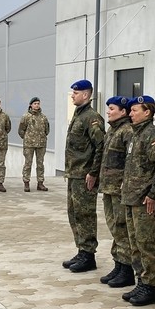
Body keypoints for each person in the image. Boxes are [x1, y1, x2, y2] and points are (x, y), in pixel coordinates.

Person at [119, 96, 155, 307]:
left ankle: (150, 285)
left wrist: (153, 194)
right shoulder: (135, 135)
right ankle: (141, 280)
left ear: (147, 112)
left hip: (144, 199)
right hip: (131, 197)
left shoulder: (152, 136)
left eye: (135, 110)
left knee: (146, 243)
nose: (130, 113)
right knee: (135, 243)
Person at [62, 80, 106, 273]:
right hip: (74, 173)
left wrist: (93, 172)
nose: (73, 95)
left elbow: (100, 146)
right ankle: (81, 250)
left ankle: (88, 254)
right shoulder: (79, 115)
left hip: (84, 175)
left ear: (86, 95)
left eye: (76, 93)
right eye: (73, 92)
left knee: (85, 214)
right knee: (74, 214)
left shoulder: (92, 118)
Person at [99, 96, 134, 287]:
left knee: (122, 228)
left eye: (112, 108)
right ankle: (119, 264)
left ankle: (127, 269)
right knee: (114, 227)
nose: (108, 111)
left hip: (119, 188)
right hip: (109, 187)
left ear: (123, 111)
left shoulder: (127, 131)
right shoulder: (113, 130)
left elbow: (130, 161)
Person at [18, 97, 50, 192]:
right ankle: (26, 182)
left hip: (41, 144)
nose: (37, 105)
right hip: (29, 144)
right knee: (28, 163)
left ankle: (40, 183)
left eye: (38, 103)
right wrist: (28, 138)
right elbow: (21, 130)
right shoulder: (26, 116)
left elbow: (47, 130)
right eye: (35, 103)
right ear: (31, 105)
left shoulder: (43, 117)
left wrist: (41, 137)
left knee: (40, 164)